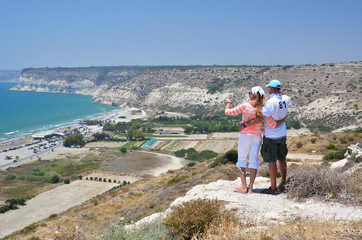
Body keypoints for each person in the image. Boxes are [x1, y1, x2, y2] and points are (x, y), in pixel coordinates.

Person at [225, 86, 285, 194]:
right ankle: (251, 188)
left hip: (245, 136)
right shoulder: (263, 108)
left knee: (242, 160)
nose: (248, 95)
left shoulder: (245, 106)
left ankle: (243, 187)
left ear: (253, 95)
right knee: (253, 161)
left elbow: (228, 112)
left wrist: (228, 103)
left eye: (249, 93)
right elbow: (273, 124)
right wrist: (283, 120)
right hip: (257, 137)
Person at [260, 79, 291, 195]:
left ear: (271, 88)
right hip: (282, 133)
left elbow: (263, 115)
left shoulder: (270, 102)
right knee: (282, 158)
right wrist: (279, 92)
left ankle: (273, 188)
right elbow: (285, 95)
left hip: (271, 135)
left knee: (271, 161)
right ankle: (283, 182)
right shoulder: (286, 99)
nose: (268, 89)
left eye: (269, 88)